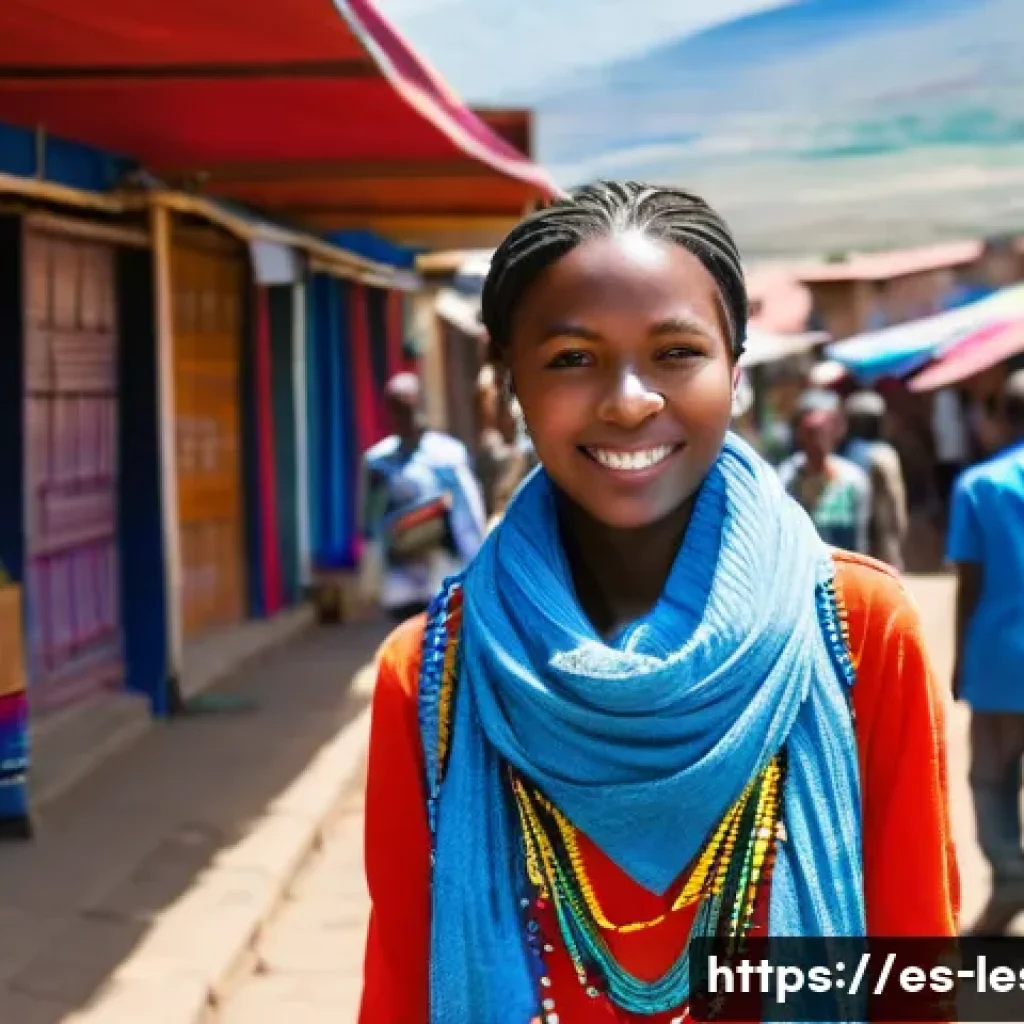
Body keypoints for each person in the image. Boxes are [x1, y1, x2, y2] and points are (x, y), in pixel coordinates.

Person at [359, 183, 957, 1023]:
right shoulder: (434, 672)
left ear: (736, 373)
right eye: (572, 358)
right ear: (508, 388)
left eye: (677, 352)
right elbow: (398, 988)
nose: (629, 399)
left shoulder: (859, 629)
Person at [947, 369, 1024, 935]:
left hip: (1000, 660)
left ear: (1001, 417)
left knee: (992, 778)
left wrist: (959, 660)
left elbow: (969, 582)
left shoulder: (979, 485)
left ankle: (1009, 872)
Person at [358, 372, 486, 623]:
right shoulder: (378, 461)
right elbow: (369, 522)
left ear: (420, 407)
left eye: (408, 409)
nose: (404, 419)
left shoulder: (448, 456)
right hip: (400, 579)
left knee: (443, 653)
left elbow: (469, 515)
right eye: (397, 411)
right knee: (409, 652)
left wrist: (478, 570)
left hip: (443, 572)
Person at [778, 389, 872, 555]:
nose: (817, 440)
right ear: (799, 433)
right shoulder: (786, 479)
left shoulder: (852, 481)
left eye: (823, 431)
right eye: (811, 433)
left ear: (837, 431)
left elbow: (861, 539)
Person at [841, 390, 909, 569]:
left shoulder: (849, 453)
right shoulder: (884, 454)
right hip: (878, 531)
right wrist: (899, 526)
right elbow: (895, 498)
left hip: (861, 528)